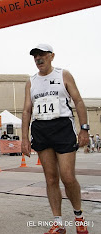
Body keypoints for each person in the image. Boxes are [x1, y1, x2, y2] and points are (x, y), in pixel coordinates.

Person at [21, 44, 89, 234]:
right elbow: (27, 110)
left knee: (67, 177)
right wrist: (24, 138)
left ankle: (79, 217)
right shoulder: (31, 81)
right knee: (51, 178)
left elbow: (79, 101)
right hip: (41, 129)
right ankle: (58, 223)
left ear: (52, 56)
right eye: (35, 56)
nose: (38, 59)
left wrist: (84, 129)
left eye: (42, 55)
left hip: (62, 127)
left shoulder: (63, 75)